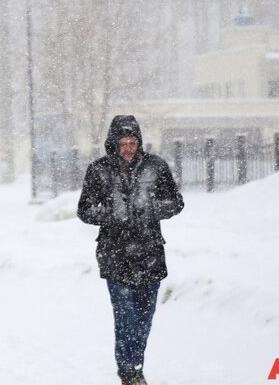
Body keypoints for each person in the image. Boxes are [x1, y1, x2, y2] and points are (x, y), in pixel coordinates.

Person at [77, 115, 184, 385]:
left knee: (144, 319)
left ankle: (134, 366)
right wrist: (112, 214)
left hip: (150, 254)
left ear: (139, 141)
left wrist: (150, 210)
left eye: (132, 141)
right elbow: (84, 209)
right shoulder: (98, 170)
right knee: (126, 317)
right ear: (113, 143)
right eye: (123, 142)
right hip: (115, 254)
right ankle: (130, 371)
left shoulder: (156, 167)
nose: (128, 147)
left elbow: (175, 202)